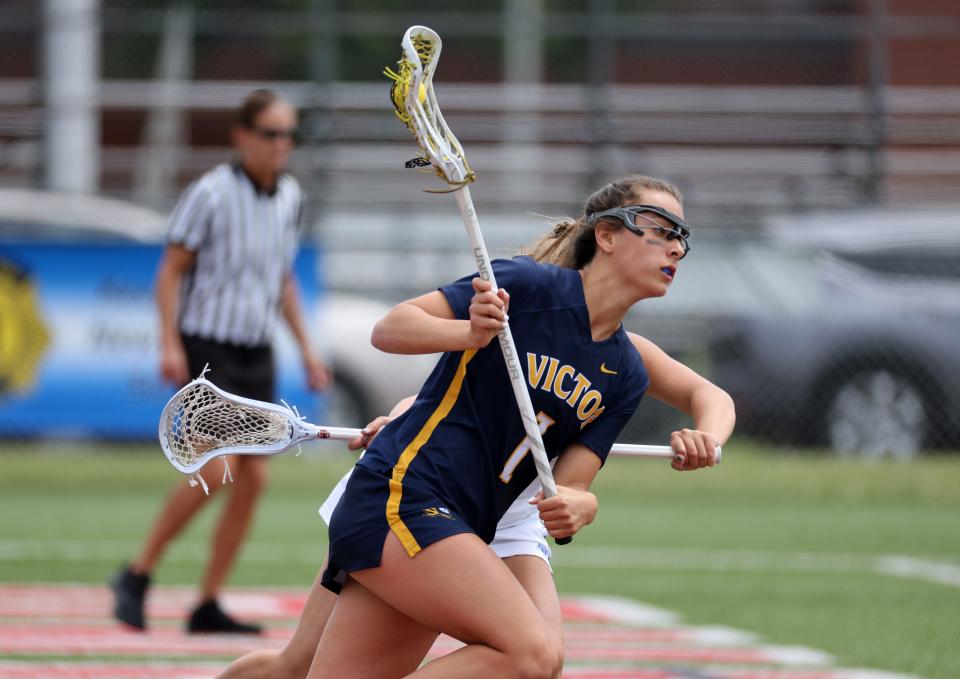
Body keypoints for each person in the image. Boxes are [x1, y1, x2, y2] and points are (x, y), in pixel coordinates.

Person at [220, 174, 732, 677]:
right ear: (607, 235)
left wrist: (584, 504)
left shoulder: (626, 372)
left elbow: (570, 484)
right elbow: (390, 328)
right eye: (661, 228)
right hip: (405, 494)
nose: (676, 249)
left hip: (466, 523)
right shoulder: (529, 286)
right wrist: (469, 331)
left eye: (681, 238)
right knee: (532, 654)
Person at [110, 89, 330, 634]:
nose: (282, 145)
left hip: (256, 349)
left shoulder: (290, 197)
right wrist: (168, 341)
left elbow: (281, 279)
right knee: (217, 465)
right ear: (242, 135)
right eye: (271, 133)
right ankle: (138, 573)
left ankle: (207, 601)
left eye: (288, 135)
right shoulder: (210, 192)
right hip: (210, 347)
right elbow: (171, 270)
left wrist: (305, 347)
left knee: (253, 480)